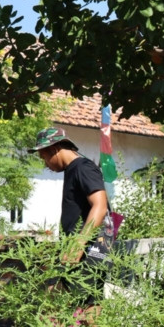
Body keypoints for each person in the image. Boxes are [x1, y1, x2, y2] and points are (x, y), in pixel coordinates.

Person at [28, 127, 110, 310]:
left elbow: (100, 205)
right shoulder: (73, 170)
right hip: (78, 246)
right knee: (59, 294)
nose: (45, 164)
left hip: (91, 247)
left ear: (54, 149)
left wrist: (79, 243)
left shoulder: (83, 167)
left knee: (87, 304)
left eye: (43, 157)